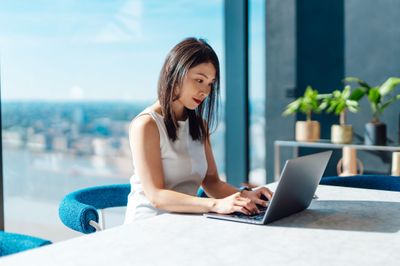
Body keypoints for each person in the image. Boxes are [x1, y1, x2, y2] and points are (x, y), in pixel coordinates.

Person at [124, 37, 273, 223]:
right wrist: (215, 205)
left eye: (210, 83)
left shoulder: (199, 125)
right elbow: (156, 195)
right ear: (173, 73)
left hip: (185, 222)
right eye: (199, 80)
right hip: (147, 225)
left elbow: (212, 182)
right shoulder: (146, 125)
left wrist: (246, 196)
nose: (206, 91)